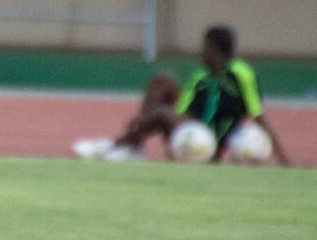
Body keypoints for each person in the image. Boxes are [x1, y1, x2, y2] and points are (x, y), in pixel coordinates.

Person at [74, 27, 291, 166]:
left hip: (213, 141)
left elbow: (258, 115)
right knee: (161, 81)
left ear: (215, 50)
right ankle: (134, 145)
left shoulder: (241, 74)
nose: (200, 52)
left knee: (161, 114)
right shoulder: (200, 76)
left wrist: (283, 160)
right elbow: (181, 112)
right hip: (193, 134)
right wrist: (147, 121)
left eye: (204, 47)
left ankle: (117, 145)